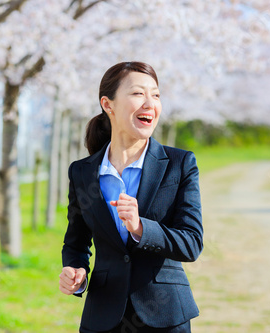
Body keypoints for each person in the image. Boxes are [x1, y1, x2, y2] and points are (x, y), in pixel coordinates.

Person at [59, 61, 203, 333]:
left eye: (156, 95)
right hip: (102, 317)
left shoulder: (179, 164)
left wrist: (141, 228)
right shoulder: (82, 172)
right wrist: (76, 273)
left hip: (165, 316)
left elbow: (192, 243)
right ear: (108, 104)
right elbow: (76, 244)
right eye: (138, 93)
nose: (150, 103)